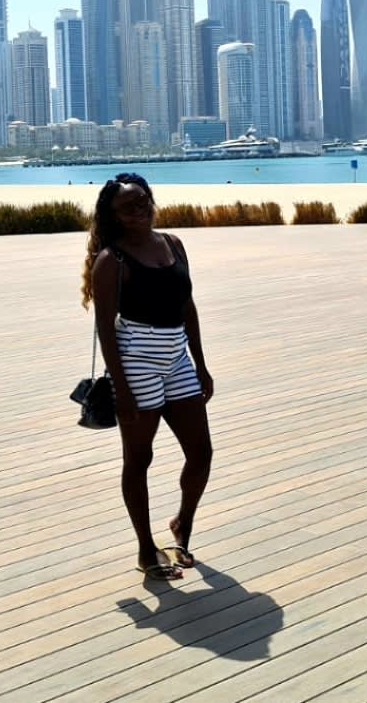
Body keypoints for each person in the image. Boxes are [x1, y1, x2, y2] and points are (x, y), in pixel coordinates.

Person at [81, 172, 214, 581]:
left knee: (201, 452)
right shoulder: (112, 260)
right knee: (139, 459)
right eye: (128, 207)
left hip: (176, 356)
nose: (139, 211)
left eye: (143, 202)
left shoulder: (173, 244)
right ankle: (145, 549)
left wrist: (201, 363)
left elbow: (187, 306)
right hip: (136, 357)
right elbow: (106, 327)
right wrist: (121, 388)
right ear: (114, 216)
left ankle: (182, 526)